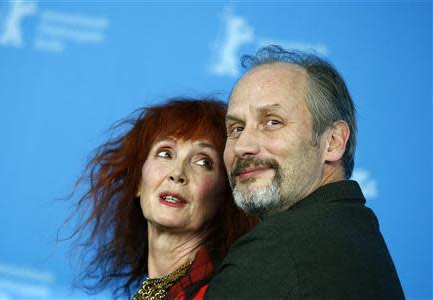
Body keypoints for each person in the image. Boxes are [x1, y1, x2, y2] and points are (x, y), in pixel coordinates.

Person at [205, 46, 405, 299]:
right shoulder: (357, 232)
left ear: (332, 141)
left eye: (272, 122)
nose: (243, 146)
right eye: (236, 128)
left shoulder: (277, 248)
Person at [69, 98, 256, 299]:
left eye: (203, 161)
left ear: (224, 196)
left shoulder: (224, 292)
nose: (177, 173)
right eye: (166, 154)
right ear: (138, 182)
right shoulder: (154, 291)